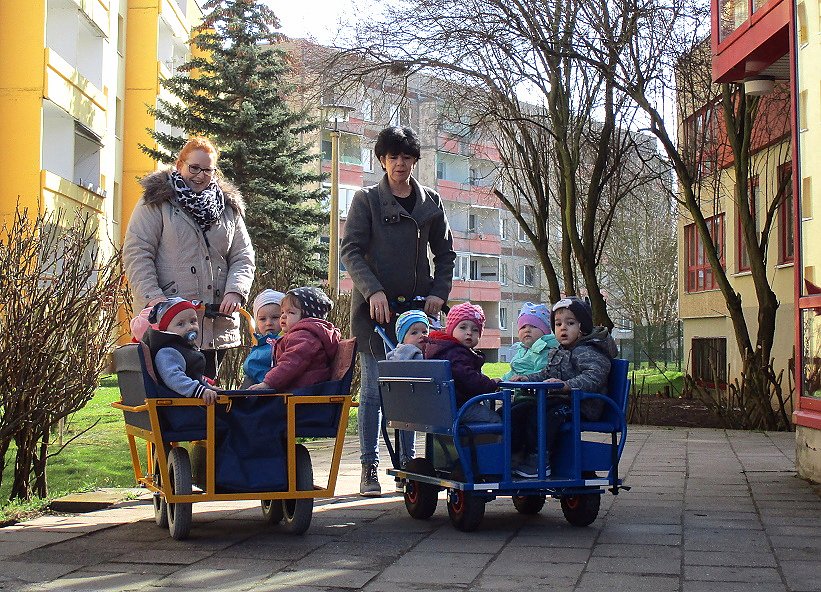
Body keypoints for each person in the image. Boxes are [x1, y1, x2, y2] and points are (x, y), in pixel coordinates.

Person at [340, 125, 456, 497]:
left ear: (415, 161)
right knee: (374, 389)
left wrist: (438, 292)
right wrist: (372, 290)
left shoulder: (431, 203)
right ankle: (369, 468)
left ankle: (409, 467)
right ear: (382, 160)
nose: (400, 164)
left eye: (407, 157)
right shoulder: (367, 201)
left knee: (415, 388)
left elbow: (446, 254)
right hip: (375, 316)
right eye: (393, 157)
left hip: (418, 316)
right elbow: (351, 252)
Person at [123, 136, 255, 379]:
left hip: (215, 322)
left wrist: (235, 291)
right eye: (194, 167)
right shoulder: (157, 202)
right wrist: (155, 299)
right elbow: (137, 252)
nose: (200, 175)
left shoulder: (228, 209)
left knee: (207, 396)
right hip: (169, 323)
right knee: (171, 398)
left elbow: (243, 255)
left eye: (207, 170)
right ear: (179, 165)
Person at [508, 297, 617, 478]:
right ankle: (518, 453)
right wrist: (526, 378)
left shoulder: (589, 350)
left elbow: (594, 377)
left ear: (583, 327)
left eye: (570, 323)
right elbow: (547, 374)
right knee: (521, 409)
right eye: (558, 324)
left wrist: (567, 385)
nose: (563, 328)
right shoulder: (560, 350)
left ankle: (540, 459)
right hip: (562, 400)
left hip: (582, 405)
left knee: (543, 415)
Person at [248, 287, 341, 392]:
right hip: (302, 389)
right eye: (282, 312)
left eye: (290, 312)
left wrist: (268, 383)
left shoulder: (304, 337)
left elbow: (291, 363)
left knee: (253, 404)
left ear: (307, 316)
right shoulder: (302, 335)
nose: (283, 316)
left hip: (304, 392)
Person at [425, 302, 502, 424]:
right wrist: (491, 384)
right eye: (463, 327)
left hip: (445, 408)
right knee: (497, 421)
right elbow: (468, 379)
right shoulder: (454, 353)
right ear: (451, 329)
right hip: (460, 407)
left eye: (475, 329)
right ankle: (489, 443)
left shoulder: (445, 349)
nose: (469, 332)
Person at [142, 298, 219, 405]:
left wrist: (207, 386)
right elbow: (174, 377)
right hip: (180, 407)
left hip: (189, 403)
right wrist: (199, 390)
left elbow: (191, 374)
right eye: (180, 324)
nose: (189, 327)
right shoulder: (168, 351)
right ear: (166, 330)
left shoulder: (184, 348)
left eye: (193, 321)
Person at [242, 289, 286, 387]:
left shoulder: (284, 341)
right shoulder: (262, 342)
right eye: (262, 319)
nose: (268, 323)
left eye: (275, 317)